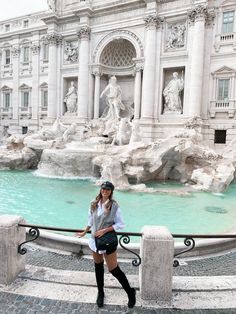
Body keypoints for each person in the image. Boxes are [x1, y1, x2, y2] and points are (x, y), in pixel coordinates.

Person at [76, 181, 136, 308]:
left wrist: (105, 230)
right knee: (98, 267)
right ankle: (101, 293)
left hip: (107, 241)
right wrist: (84, 232)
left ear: (111, 192)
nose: (105, 191)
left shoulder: (115, 206)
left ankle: (130, 292)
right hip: (94, 241)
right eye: (103, 189)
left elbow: (120, 224)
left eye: (108, 189)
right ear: (100, 189)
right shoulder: (94, 204)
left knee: (114, 269)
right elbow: (90, 220)